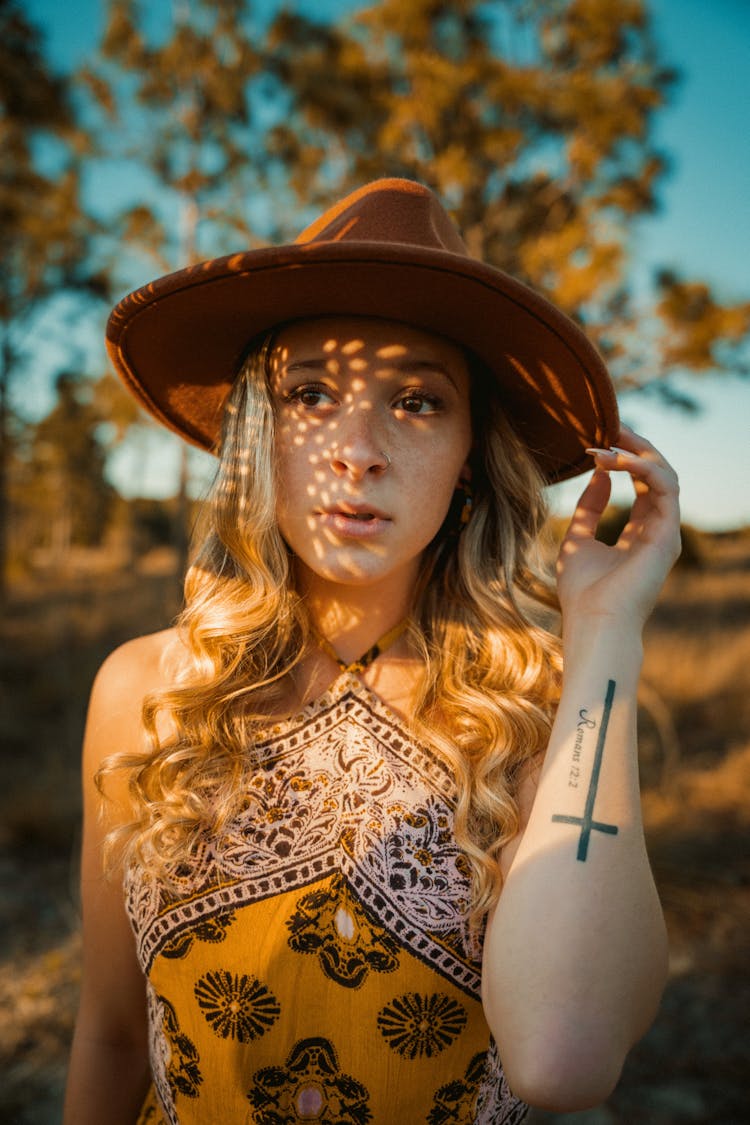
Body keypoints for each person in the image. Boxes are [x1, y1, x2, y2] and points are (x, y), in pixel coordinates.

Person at [64, 178, 680, 1125]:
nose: (358, 450)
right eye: (311, 392)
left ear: (472, 451)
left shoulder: (546, 709)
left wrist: (603, 635)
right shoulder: (147, 691)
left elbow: (566, 1058)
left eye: (419, 402)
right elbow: (110, 1033)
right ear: (260, 436)